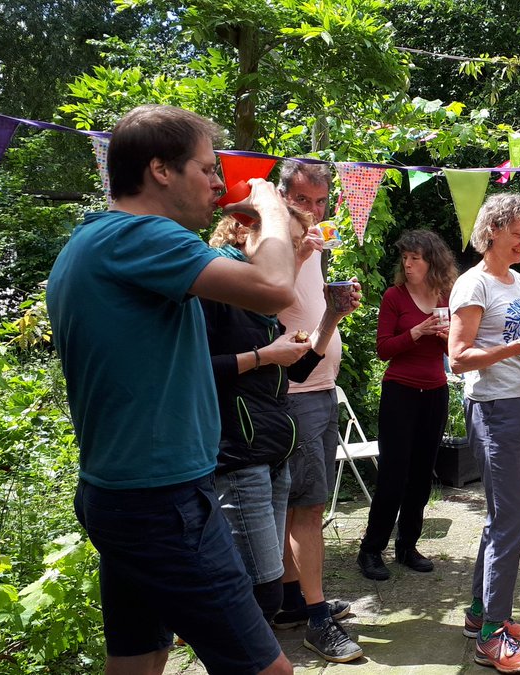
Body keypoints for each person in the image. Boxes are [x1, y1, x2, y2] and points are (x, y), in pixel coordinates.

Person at [47, 104, 295, 675]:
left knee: (138, 659)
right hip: (163, 503)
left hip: (123, 495)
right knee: (268, 670)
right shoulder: (140, 236)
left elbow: (249, 278)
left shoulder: (101, 241)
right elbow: (274, 287)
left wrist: (258, 231)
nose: (217, 183)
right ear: (161, 170)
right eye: (207, 169)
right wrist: (274, 209)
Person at [202, 209, 360, 660]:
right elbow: (193, 370)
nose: (298, 253)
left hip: (272, 451)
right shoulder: (215, 289)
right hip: (238, 456)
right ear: (244, 230)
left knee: (264, 588)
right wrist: (263, 355)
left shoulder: (257, 296)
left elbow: (298, 364)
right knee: (260, 590)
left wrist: (330, 315)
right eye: (289, 243)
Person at [448, 193, 520, 674]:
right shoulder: (472, 285)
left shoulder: (517, 279)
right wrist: (517, 345)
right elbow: (458, 357)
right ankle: (492, 636)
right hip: (494, 409)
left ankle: (480, 615)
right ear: (492, 229)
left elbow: (516, 343)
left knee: (504, 517)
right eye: (519, 235)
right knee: (510, 518)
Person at [272, 160, 363, 662]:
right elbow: (263, 301)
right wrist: (300, 248)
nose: (312, 211)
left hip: (319, 387)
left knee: (297, 504)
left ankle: (291, 599)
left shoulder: (312, 250)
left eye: (321, 202)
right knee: (307, 508)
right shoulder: (271, 244)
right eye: (302, 200)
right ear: (282, 196)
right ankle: (317, 618)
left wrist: (337, 306)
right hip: (293, 394)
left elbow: (308, 310)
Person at [357, 230, 458, 579]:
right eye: (405, 258)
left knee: (421, 475)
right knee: (393, 474)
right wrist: (416, 332)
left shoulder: (447, 297)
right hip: (400, 391)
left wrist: (446, 340)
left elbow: (456, 353)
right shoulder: (394, 297)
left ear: (433, 261)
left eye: (415, 257)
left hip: (435, 391)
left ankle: (407, 546)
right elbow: (383, 349)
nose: (408, 263)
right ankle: (371, 550)